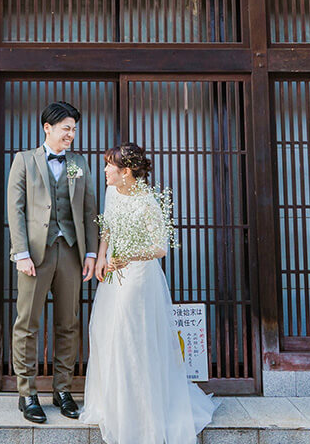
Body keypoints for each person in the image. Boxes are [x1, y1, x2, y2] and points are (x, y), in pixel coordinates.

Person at [80, 142, 217, 444]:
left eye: (109, 166)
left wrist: (127, 255)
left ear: (125, 171)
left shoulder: (148, 203)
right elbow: (108, 230)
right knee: (107, 334)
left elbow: (159, 248)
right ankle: (111, 403)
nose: (104, 170)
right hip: (114, 273)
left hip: (138, 279)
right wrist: (103, 257)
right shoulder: (112, 192)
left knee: (133, 340)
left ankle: (141, 413)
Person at [6, 100, 99, 423]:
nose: (71, 135)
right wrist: (20, 253)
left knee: (68, 324)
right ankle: (27, 393)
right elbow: (15, 210)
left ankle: (63, 390)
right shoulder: (24, 161)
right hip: (34, 254)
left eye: (74, 129)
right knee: (27, 323)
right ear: (47, 128)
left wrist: (90, 253)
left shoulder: (79, 163)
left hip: (71, 253)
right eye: (65, 129)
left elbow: (89, 210)